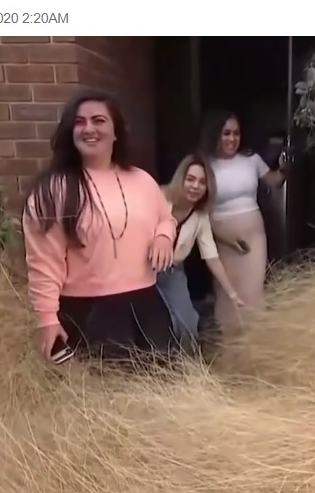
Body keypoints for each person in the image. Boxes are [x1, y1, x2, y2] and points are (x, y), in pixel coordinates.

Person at [22, 88, 178, 363]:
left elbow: (166, 217)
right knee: (103, 400)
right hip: (88, 314)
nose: (88, 128)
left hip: (147, 306)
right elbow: (43, 262)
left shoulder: (142, 180)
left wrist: (164, 236)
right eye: (80, 122)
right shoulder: (52, 190)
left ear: (116, 132)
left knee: (159, 394)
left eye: (99, 120)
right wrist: (47, 319)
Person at [201, 111, 287, 334]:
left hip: (254, 239)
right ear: (216, 135)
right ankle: (230, 348)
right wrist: (223, 236)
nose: (231, 139)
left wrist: (287, 163)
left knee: (252, 292)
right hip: (222, 240)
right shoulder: (205, 165)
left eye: (236, 133)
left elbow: (275, 181)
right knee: (227, 293)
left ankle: (254, 345)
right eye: (226, 133)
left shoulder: (252, 160)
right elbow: (200, 209)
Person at [157, 153, 246, 346]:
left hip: (173, 272)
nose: (195, 186)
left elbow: (212, 257)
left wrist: (232, 294)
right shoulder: (159, 197)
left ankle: (186, 368)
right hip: (144, 271)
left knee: (187, 325)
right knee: (159, 323)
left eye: (202, 182)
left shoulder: (200, 216)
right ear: (181, 179)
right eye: (190, 179)